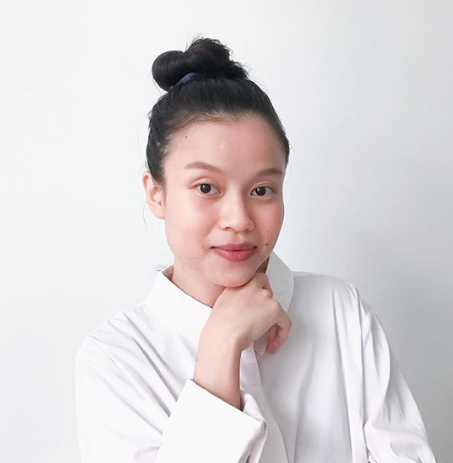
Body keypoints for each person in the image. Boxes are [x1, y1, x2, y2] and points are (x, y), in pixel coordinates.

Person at [74, 36, 437, 463]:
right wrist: (219, 349)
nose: (239, 219)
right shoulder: (117, 358)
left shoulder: (339, 309)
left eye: (262, 190)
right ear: (156, 193)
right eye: (206, 187)